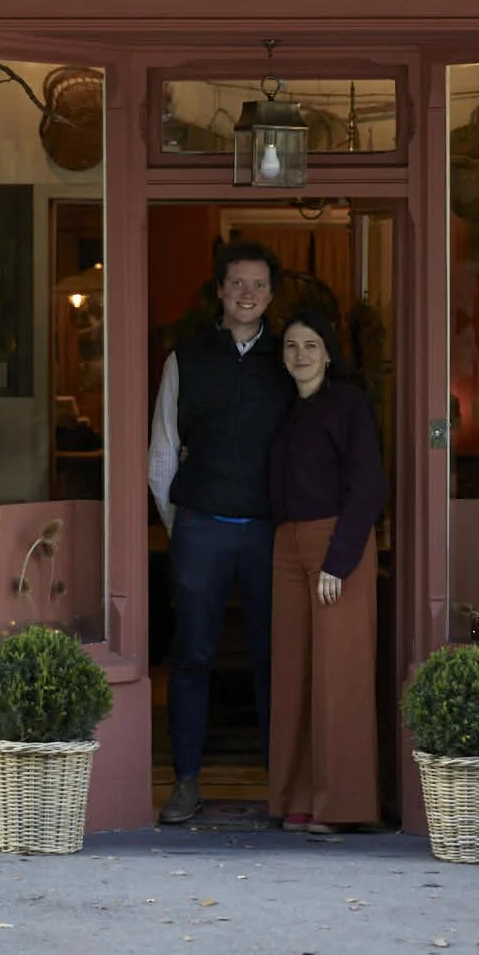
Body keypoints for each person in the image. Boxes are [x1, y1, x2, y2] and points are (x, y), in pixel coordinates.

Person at [148, 240, 293, 824]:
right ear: (220, 290)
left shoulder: (289, 359)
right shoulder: (186, 358)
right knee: (191, 658)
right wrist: (181, 525)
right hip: (201, 526)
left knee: (272, 658)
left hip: (267, 532)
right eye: (237, 283)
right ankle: (185, 782)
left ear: (271, 294)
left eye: (258, 285)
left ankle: (281, 787)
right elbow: (162, 453)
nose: (248, 294)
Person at [268, 310, 387, 834]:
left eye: (311, 345)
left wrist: (338, 560)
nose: (300, 355)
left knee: (339, 675)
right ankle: (298, 797)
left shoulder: (348, 405)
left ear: (329, 352)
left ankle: (341, 806)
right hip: (287, 546)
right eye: (292, 345)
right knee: (294, 672)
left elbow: (369, 487)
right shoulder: (288, 410)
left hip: (339, 545)